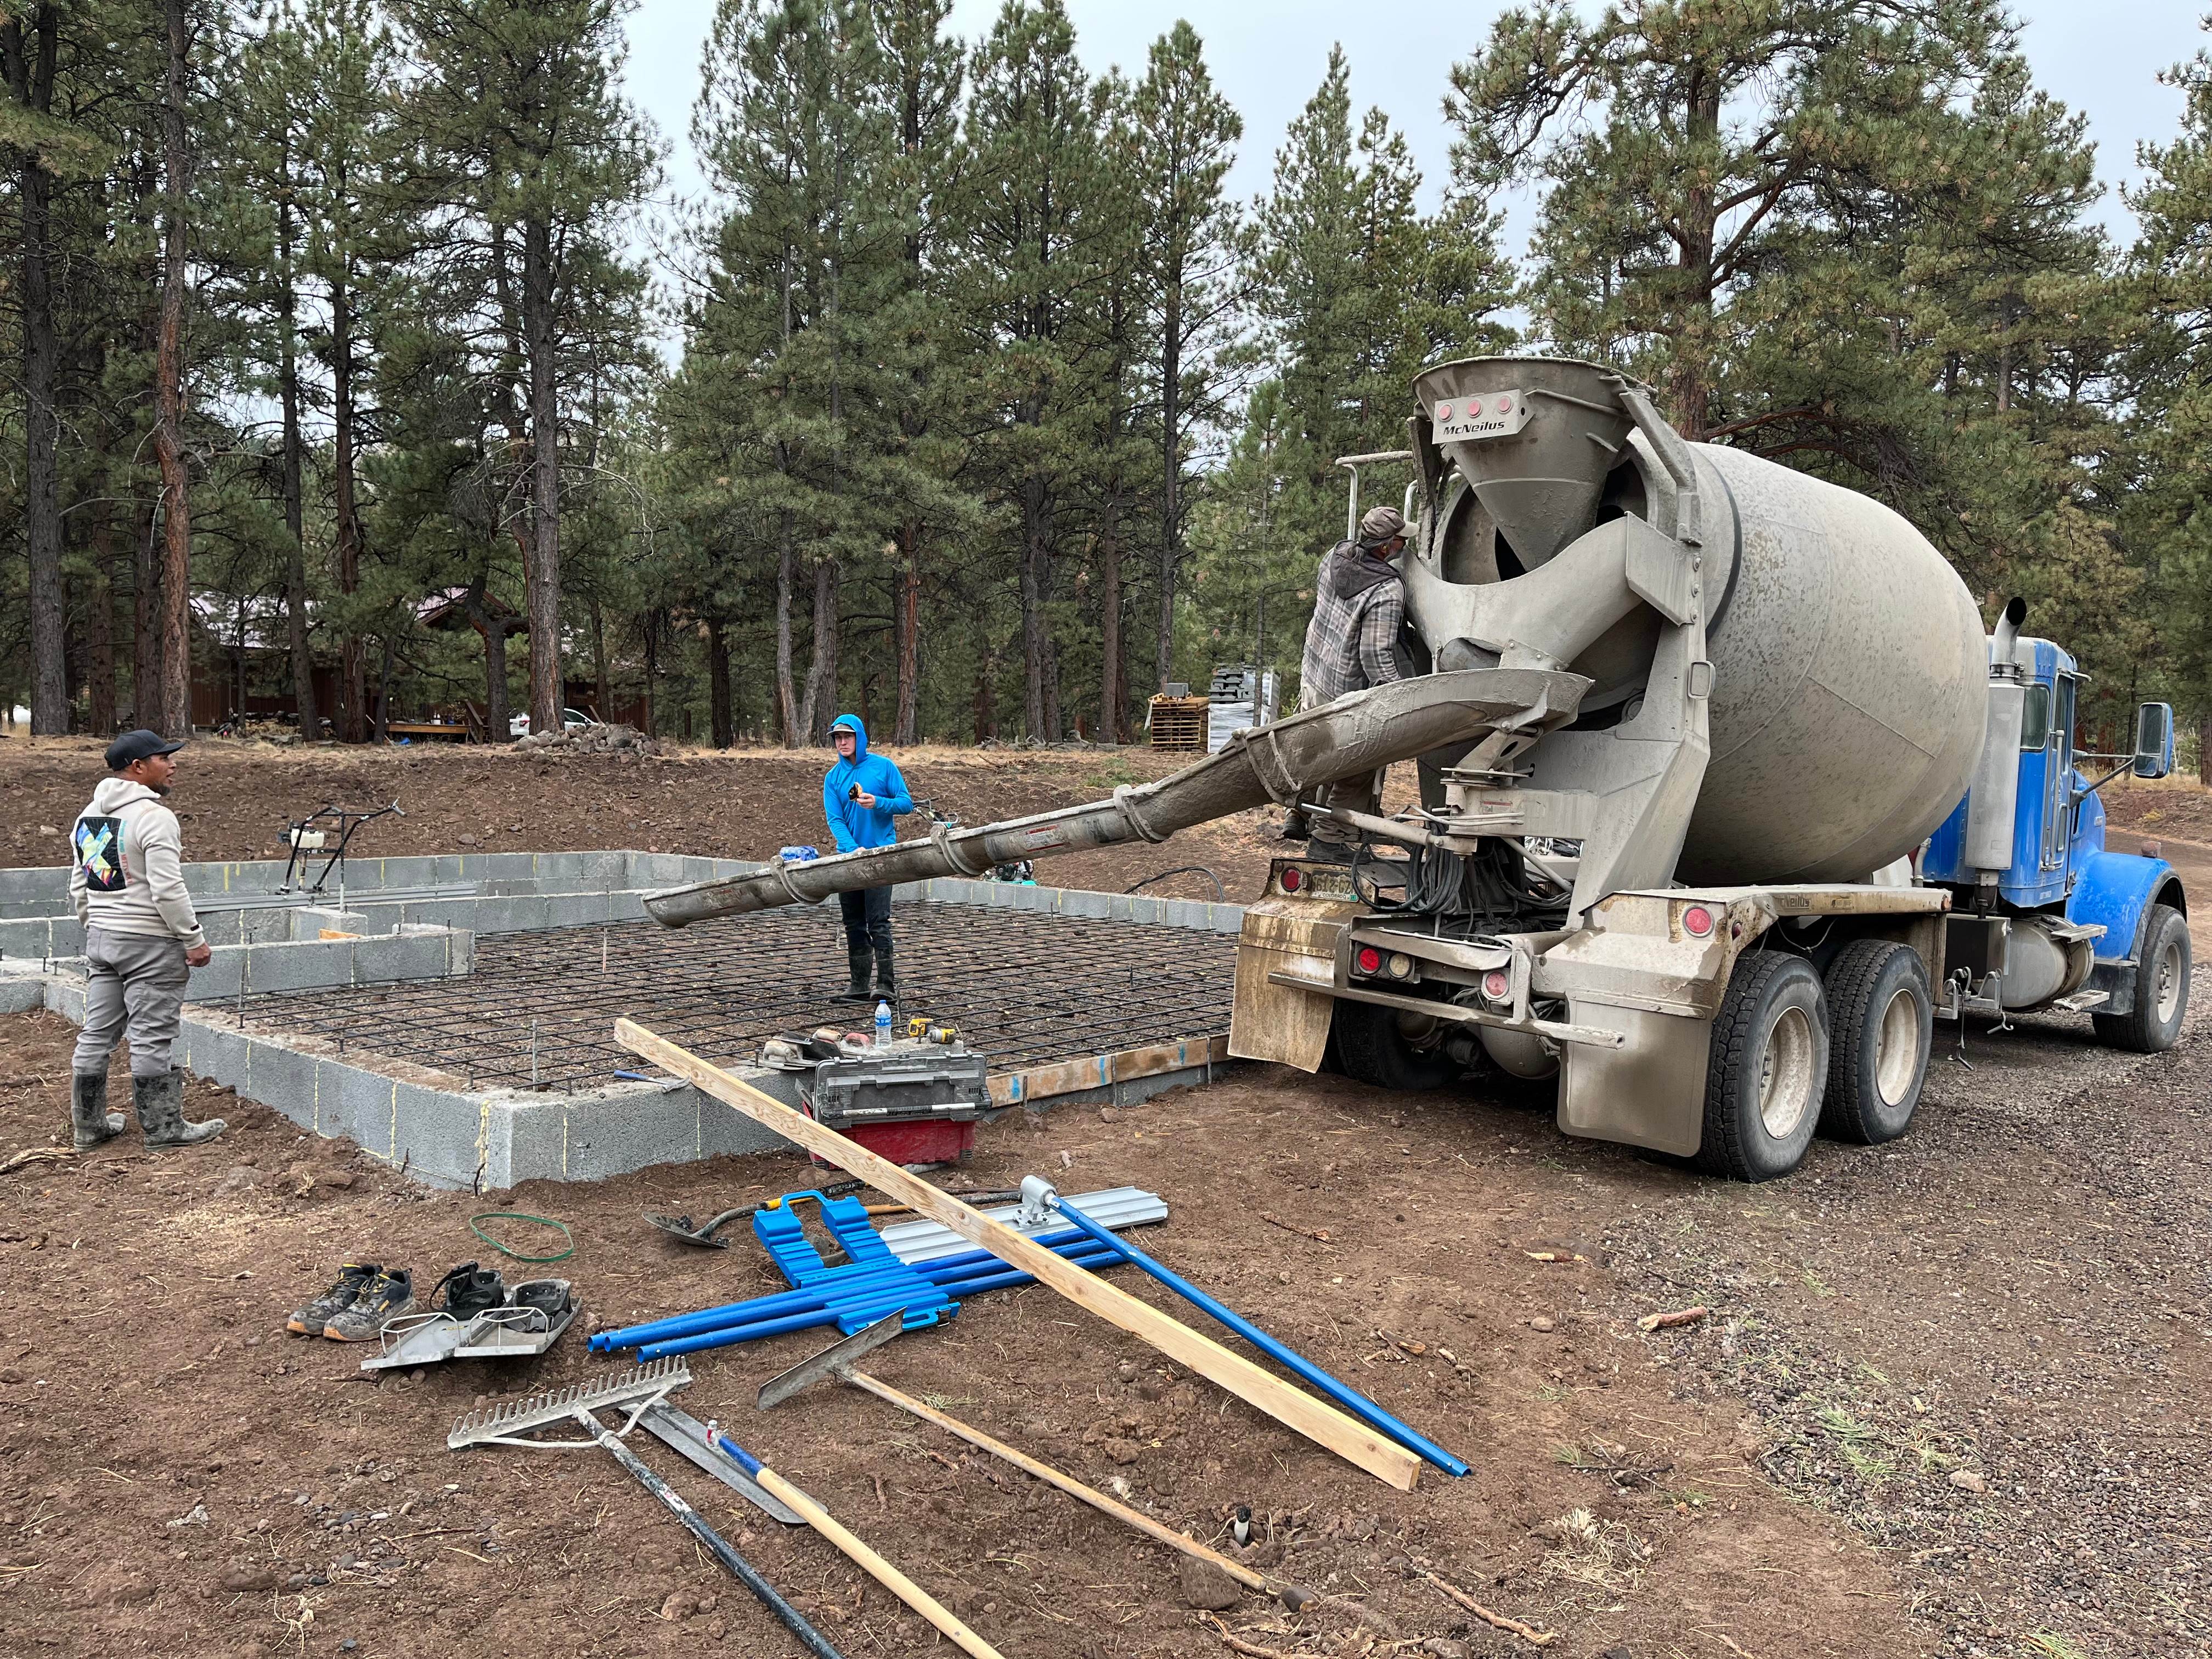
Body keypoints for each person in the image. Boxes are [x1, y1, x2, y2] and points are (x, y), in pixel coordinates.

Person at [66, 730, 227, 1149]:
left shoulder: (89, 817)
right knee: (152, 1036)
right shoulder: (154, 817)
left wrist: (96, 925)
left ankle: (89, 1127)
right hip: (150, 945)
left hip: (102, 941)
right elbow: (167, 889)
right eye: (163, 757)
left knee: (96, 1033)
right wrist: (193, 938)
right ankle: (164, 1130)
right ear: (138, 767)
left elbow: (80, 884)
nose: (173, 763)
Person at [1294, 504, 1413, 855]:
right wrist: (1396, 698)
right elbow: (1375, 655)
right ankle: (1329, 838)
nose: (1404, 547)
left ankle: (1298, 817)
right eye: (1400, 542)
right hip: (1345, 693)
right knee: (1358, 765)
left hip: (1314, 675)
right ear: (1386, 548)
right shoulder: (1386, 589)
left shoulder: (1336, 555)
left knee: (1313, 751)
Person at [821, 714, 914, 1001]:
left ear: (860, 737)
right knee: (853, 923)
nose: (843, 742)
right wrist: (852, 849)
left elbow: (906, 803)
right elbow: (835, 820)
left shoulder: (883, 767)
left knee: (879, 922)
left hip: (880, 856)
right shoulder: (833, 778)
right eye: (838, 738)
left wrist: (879, 803)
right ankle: (860, 985)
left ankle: (886, 984)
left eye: (848, 736)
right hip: (849, 859)